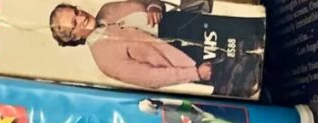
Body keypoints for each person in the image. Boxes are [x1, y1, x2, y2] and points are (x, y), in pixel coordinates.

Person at [49, 1, 263, 95]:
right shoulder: (104, 60)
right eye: (74, 23)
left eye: (76, 12)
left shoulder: (107, 9)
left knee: (254, 32)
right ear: (73, 37)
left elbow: (148, 2)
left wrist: (153, 6)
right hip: (189, 57)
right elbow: (150, 78)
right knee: (252, 70)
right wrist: (195, 73)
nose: (81, 17)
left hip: (189, 24)